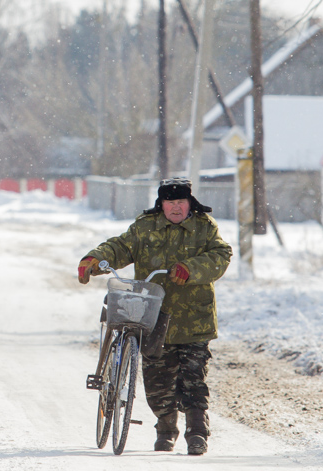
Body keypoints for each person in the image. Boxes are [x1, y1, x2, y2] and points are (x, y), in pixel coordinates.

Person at [78, 177, 231, 455]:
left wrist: (191, 269)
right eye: (170, 202)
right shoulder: (145, 227)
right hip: (152, 317)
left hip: (194, 318)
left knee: (193, 380)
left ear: (189, 203)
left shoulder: (204, 227)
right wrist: (94, 259)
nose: (176, 207)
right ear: (161, 204)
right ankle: (166, 428)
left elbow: (221, 255)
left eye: (181, 202)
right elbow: (120, 247)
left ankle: (197, 432)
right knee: (157, 382)